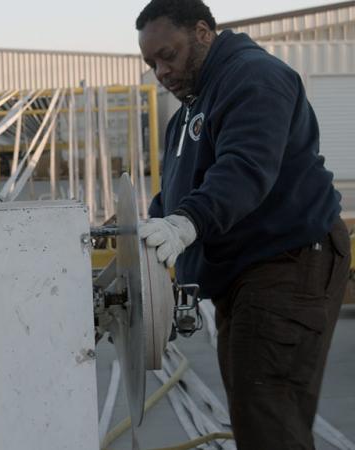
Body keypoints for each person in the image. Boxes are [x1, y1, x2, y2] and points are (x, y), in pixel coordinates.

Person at [136, 1, 351, 448]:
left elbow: (245, 168)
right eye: (151, 63)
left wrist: (186, 223)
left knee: (266, 411)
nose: (160, 71)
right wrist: (140, 229)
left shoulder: (253, 77)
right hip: (247, 274)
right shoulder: (188, 114)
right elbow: (176, 193)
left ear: (202, 32)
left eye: (167, 55)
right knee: (261, 412)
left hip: (287, 263)